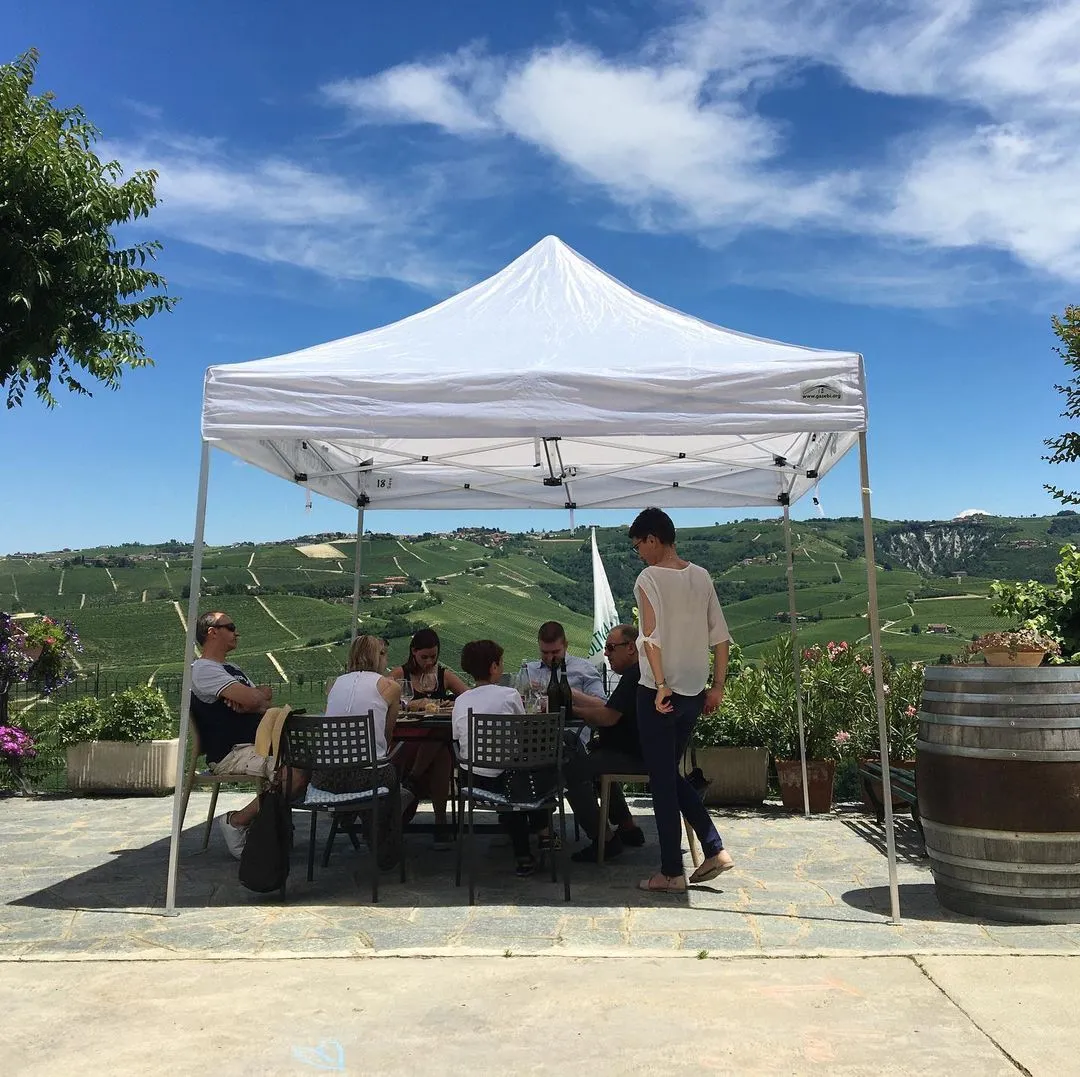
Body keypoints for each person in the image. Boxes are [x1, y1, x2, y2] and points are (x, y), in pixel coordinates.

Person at [630, 507, 735, 894]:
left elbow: (650, 637)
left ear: (652, 539)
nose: (639, 553)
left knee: (662, 781)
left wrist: (660, 684)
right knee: (668, 774)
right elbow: (720, 637)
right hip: (693, 693)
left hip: (658, 693)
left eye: (639, 545)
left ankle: (672, 872)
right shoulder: (701, 576)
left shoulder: (649, 578)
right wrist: (718, 686)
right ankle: (713, 848)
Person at [189, 611, 307, 859]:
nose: (237, 632)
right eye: (230, 627)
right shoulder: (203, 670)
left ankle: (268, 829)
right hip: (232, 752)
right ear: (212, 632)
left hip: (255, 746)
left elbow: (264, 698)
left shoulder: (231, 669)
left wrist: (252, 700)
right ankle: (237, 822)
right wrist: (253, 699)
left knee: (308, 763)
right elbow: (255, 699)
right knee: (295, 774)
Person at [453, 639, 551, 878]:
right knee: (530, 770)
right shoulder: (510, 695)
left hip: (472, 781)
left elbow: (456, 738)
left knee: (515, 775)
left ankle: (527, 849)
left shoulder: (461, 700)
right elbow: (524, 729)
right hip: (506, 782)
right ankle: (543, 833)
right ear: (494, 666)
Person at [563, 624, 648, 862]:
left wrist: (572, 709)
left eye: (611, 647)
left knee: (572, 768)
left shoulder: (634, 675)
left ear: (630, 648)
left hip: (637, 757)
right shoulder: (642, 673)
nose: (606, 653)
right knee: (596, 757)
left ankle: (604, 840)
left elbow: (608, 717)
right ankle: (627, 826)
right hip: (643, 751)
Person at [389, 627, 463, 848]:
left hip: (432, 743)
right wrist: (411, 704)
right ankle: (440, 821)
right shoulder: (399, 675)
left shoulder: (443, 675)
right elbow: (380, 699)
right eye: (425, 657)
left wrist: (450, 702)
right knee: (441, 749)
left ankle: (412, 781)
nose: (430, 662)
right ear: (413, 652)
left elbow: (469, 695)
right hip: (406, 742)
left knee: (441, 752)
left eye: (434, 656)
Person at [525, 621, 608, 701]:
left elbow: (601, 704)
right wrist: (524, 689)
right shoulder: (528, 671)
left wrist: (566, 692)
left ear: (566, 645)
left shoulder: (585, 669)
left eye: (555, 652)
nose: (550, 658)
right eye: (545, 652)